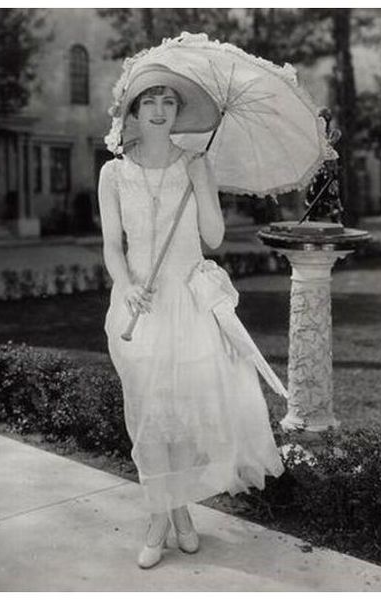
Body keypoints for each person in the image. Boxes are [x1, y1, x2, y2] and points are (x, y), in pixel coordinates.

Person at [98, 63, 284, 569]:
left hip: (187, 305)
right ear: (134, 112)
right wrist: (129, 284)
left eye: (168, 102)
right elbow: (113, 247)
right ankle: (168, 516)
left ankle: (170, 517)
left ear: (179, 112)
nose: (159, 111)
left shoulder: (195, 163)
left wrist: (203, 179)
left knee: (178, 417)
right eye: (149, 102)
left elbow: (215, 238)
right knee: (149, 416)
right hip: (139, 307)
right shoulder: (113, 172)